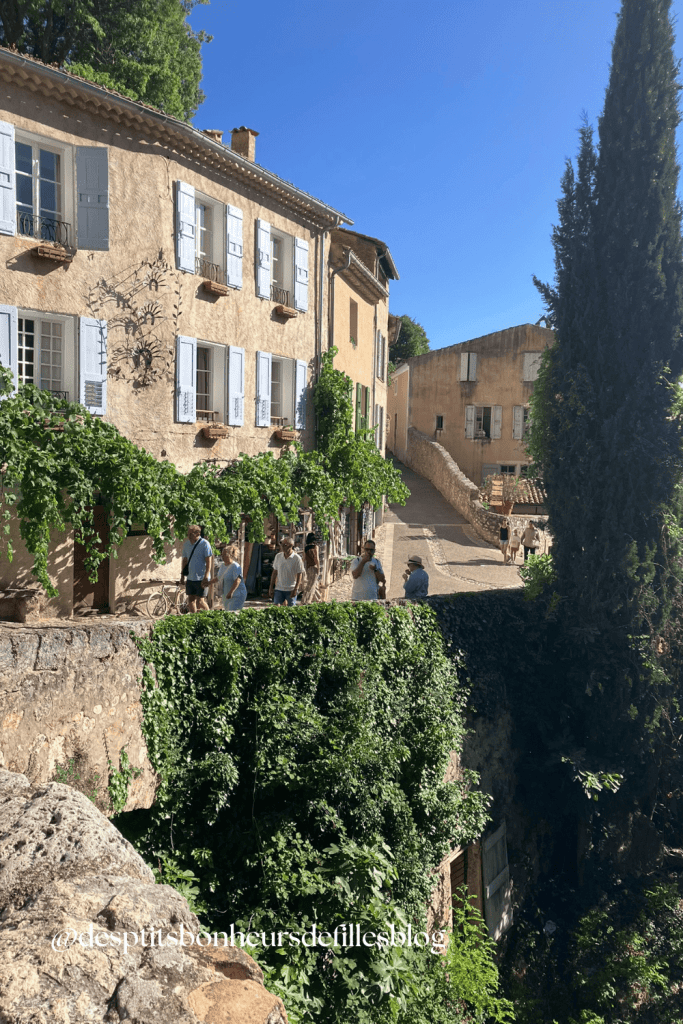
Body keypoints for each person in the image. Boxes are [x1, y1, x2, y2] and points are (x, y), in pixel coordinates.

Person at [180, 524, 212, 612]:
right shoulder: (186, 544)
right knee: (191, 600)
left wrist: (206, 576)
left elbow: (209, 562)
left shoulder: (205, 544)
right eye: (188, 534)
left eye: (191, 534)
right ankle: (194, 620)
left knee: (200, 601)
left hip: (202, 577)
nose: (188, 536)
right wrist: (182, 576)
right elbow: (184, 561)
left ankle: (210, 617)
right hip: (191, 577)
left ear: (198, 533)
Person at [269, 537, 304, 606]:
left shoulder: (297, 558)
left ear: (291, 545)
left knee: (291, 611)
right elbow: (275, 572)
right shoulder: (278, 556)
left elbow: (299, 574)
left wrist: (296, 589)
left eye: (285, 545)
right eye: (281, 544)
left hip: (291, 589)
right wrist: (271, 587)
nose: (282, 547)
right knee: (276, 609)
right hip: (279, 588)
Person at [214, 543, 247, 612]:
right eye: (222, 555)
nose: (222, 556)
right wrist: (208, 583)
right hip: (226, 595)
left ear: (230, 555)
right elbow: (218, 577)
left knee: (233, 614)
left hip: (236, 595)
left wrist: (231, 592)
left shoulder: (235, 566)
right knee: (228, 613)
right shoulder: (223, 565)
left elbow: (237, 580)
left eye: (224, 555)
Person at [301, 532, 319, 604]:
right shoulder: (315, 547)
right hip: (314, 567)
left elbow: (303, 559)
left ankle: (305, 600)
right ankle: (307, 600)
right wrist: (318, 568)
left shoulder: (306, 548)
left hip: (308, 568)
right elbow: (316, 558)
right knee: (312, 585)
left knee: (309, 584)